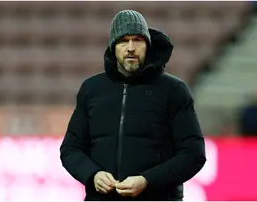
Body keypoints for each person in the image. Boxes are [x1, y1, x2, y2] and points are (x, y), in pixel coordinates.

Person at [60, 10, 206, 201]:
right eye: (123, 41)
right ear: (113, 47)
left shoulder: (174, 90)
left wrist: (147, 180)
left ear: (147, 44)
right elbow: (71, 149)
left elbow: (193, 154)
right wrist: (92, 174)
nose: (130, 47)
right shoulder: (91, 89)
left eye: (137, 40)